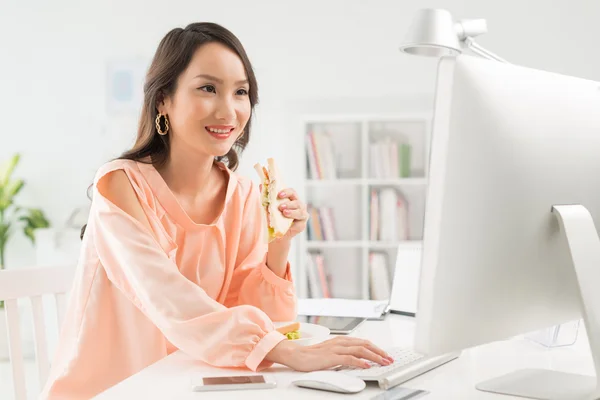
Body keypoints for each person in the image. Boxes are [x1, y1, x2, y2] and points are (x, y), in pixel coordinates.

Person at [41, 22, 393, 399]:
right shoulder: (121, 185)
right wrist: (288, 352)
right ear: (163, 99)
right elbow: (168, 297)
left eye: (241, 92)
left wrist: (280, 241)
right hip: (114, 389)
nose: (229, 110)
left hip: (192, 382)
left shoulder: (242, 194)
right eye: (208, 88)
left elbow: (258, 317)